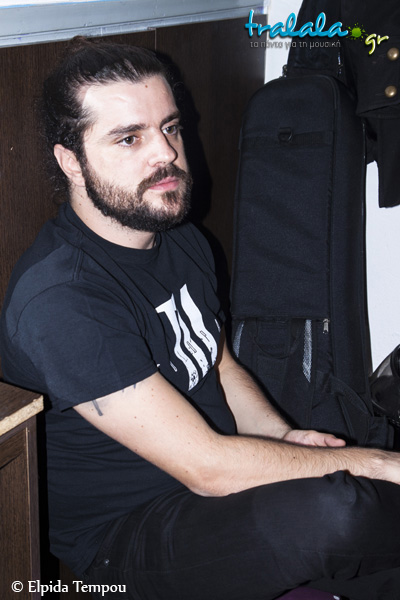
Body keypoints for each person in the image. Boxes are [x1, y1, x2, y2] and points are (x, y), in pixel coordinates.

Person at [1, 37, 400, 600]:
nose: (164, 153)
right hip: (124, 538)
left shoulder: (180, 237)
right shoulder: (61, 299)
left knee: (347, 494)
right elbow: (208, 468)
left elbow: (216, 361)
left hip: (210, 481)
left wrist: (280, 434)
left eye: (170, 127)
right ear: (71, 162)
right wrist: (378, 465)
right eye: (129, 138)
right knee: (341, 507)